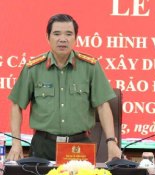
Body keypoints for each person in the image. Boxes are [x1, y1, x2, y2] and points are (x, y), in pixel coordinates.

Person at [7, 14, 121, 161]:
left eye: (68, 34)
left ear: (75, 38)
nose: (62, 39)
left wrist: (111, 142)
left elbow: (103, 106)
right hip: (43, 145)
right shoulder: (33, 68)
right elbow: (16, 106)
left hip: (79, 145)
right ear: (47, 37)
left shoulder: (90, 67)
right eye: (56, 34)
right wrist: (16, 143)